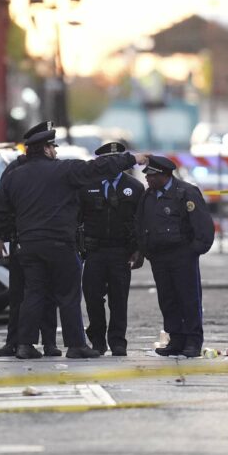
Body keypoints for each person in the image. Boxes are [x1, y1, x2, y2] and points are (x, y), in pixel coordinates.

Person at [0, 128, 148, 359]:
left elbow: (0, 208)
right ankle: (76, 345)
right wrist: (132, 158)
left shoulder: (15, 175)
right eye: (53, 147)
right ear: (45, 149)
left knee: (33, 294)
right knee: (68, 295)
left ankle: (24, 344)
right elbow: (97, 168)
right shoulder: (64, 170)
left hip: (29, 245)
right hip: (60, 244)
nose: (55, 151)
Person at [0, 121, 60, 357]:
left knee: (47, 294)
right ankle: (15, 341)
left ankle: (49, 342)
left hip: (39, 240)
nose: (54, 151)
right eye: (51, 146)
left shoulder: (55, 168)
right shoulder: (14, 170)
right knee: (19, 295)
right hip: (20, 240)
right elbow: (0, 206)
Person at [135, 155, 214, 358]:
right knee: (168, 299)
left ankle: (193, 341)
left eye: (152, 176)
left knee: (188, 299)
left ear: (165, 175)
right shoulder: (148, 196)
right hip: (159, 257)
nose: (148, 179)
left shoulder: (186, 192)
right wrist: (145, 250)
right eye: (147, 176)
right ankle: (176, 339)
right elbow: (141, 223)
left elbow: (203, 225)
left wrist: (193, 250)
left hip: (182, 255)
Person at [78, 142, 145, 356]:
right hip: (94, 250)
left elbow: (140, 222)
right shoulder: (87, 185)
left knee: (119, 298)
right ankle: (97, 340)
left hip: (120, 251)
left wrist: (139, 250)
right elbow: (77, 218)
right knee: (92, 297)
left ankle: (118, 341)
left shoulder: (134, 187)